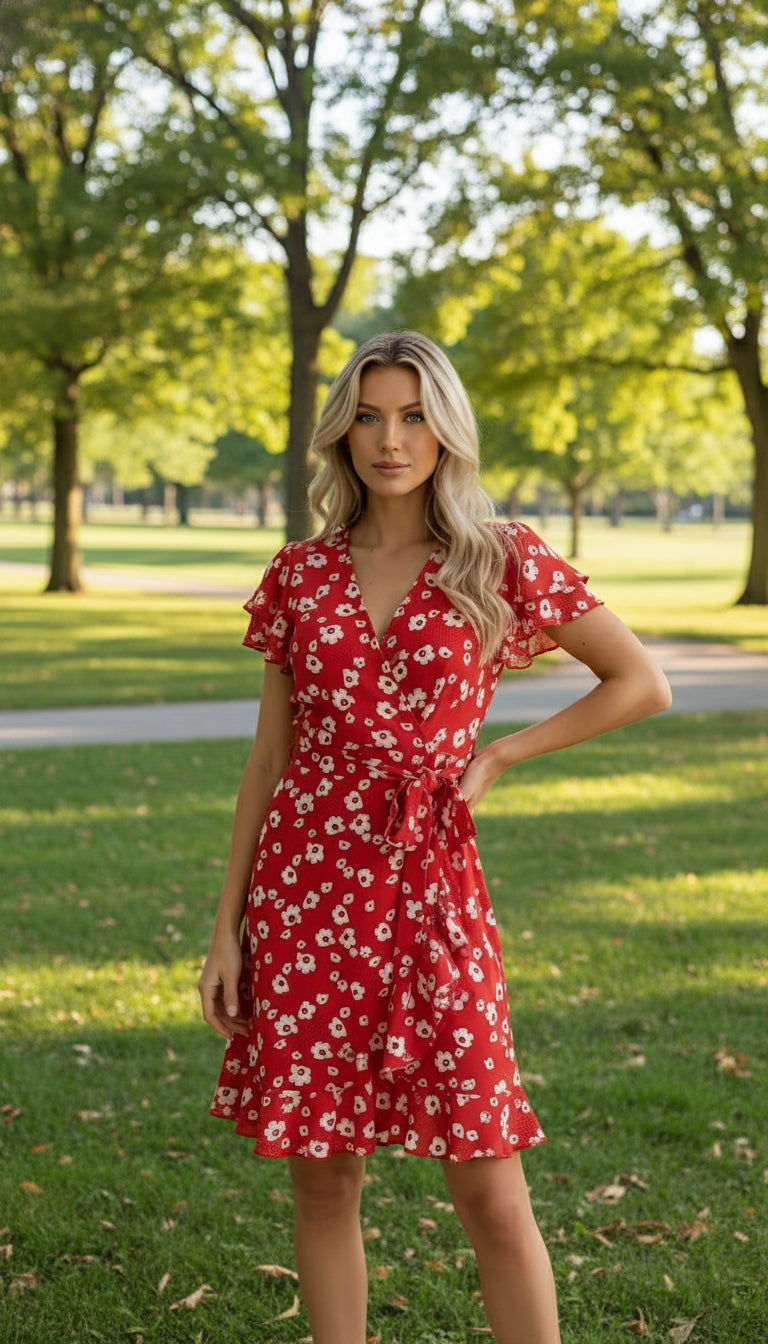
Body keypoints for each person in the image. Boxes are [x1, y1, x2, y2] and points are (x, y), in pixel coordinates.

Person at [198, 331, 672, 1344]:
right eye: (369, 416)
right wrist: (226, 930)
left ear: (446, 429)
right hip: (306, 895)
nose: (390, 439)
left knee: (492, 1192)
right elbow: (268, 763)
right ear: (342, 432)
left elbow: (640, 682)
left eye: (414, 416)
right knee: (324, 1186)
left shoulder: (499, 558)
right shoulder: (300, 575)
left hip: (432, 888)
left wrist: (500, 756)